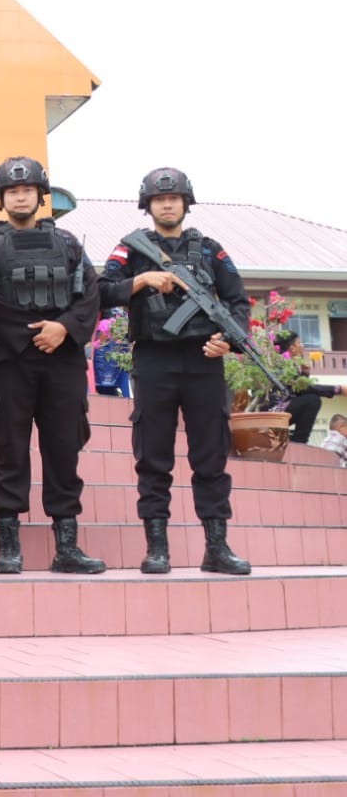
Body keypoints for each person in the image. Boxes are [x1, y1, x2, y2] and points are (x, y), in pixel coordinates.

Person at [99, 166, 251, 575]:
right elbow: (100, 292)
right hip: (154, 360)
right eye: (159, 199)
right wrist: (141, 280)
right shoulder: (130, 250)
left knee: (211, 456)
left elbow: (237, 302)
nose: (167, 204)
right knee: (153, 455)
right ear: (147, 206)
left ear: (186, 203)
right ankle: (157, 548)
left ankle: (217, 547)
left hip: (204, 360)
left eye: (174, 198)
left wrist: (229, 341)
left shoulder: (210, 249)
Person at [0, 157, 106, 575]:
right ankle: (9, 546)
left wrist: (63, 328)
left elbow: (91, 295)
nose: (20, 196)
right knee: (9, 452)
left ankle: (67, 547)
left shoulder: (67, 243)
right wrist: (36, 332)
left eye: (27, 190)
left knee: (64, 451)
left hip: (62, 363)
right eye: (12, 191)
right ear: (2, 198)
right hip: (8, 362)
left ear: (40, 196)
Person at [273, 331, 343, 443]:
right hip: (273, 412)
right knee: (312, 400)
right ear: (292, 348)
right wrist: (337, 389)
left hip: (282, 409)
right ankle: (299, 440)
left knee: (310, 398)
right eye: (299, 343)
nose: (303, 346)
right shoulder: (281, 364)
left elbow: (299, 390)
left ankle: (298, 439)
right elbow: (304, 388)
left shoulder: (289, 364)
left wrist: (305, 374)